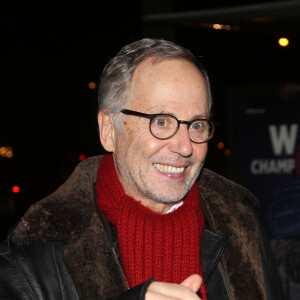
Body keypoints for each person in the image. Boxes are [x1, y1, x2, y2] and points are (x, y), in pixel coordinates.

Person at [0, 38, 284, 300]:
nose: (185, 147)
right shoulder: (35, 250)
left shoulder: (242, 225)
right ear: (109, 130)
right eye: (161, 121)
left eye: (197, 125)